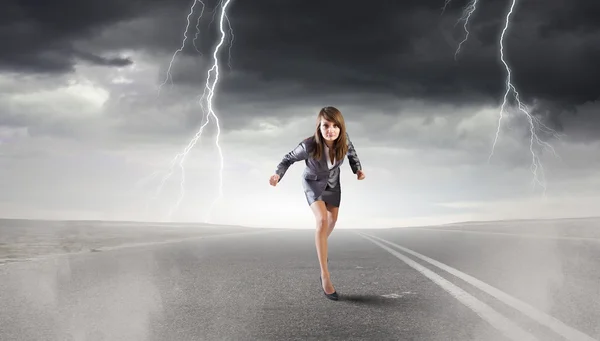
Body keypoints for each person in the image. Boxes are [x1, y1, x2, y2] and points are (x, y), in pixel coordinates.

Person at [269, 106, 365, 301]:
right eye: (326, 125)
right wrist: (277, 175)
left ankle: (321, 246)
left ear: (341, 127)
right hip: (312, 182)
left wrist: (358, 170)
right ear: (319, 127)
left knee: (332, 221)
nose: (331, 130)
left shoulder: (344, 139)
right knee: (321, 221)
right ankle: (325, 275)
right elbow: (288, 159)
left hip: (333, 184)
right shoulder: (309, 146)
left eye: (335, 126)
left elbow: (352, 155)